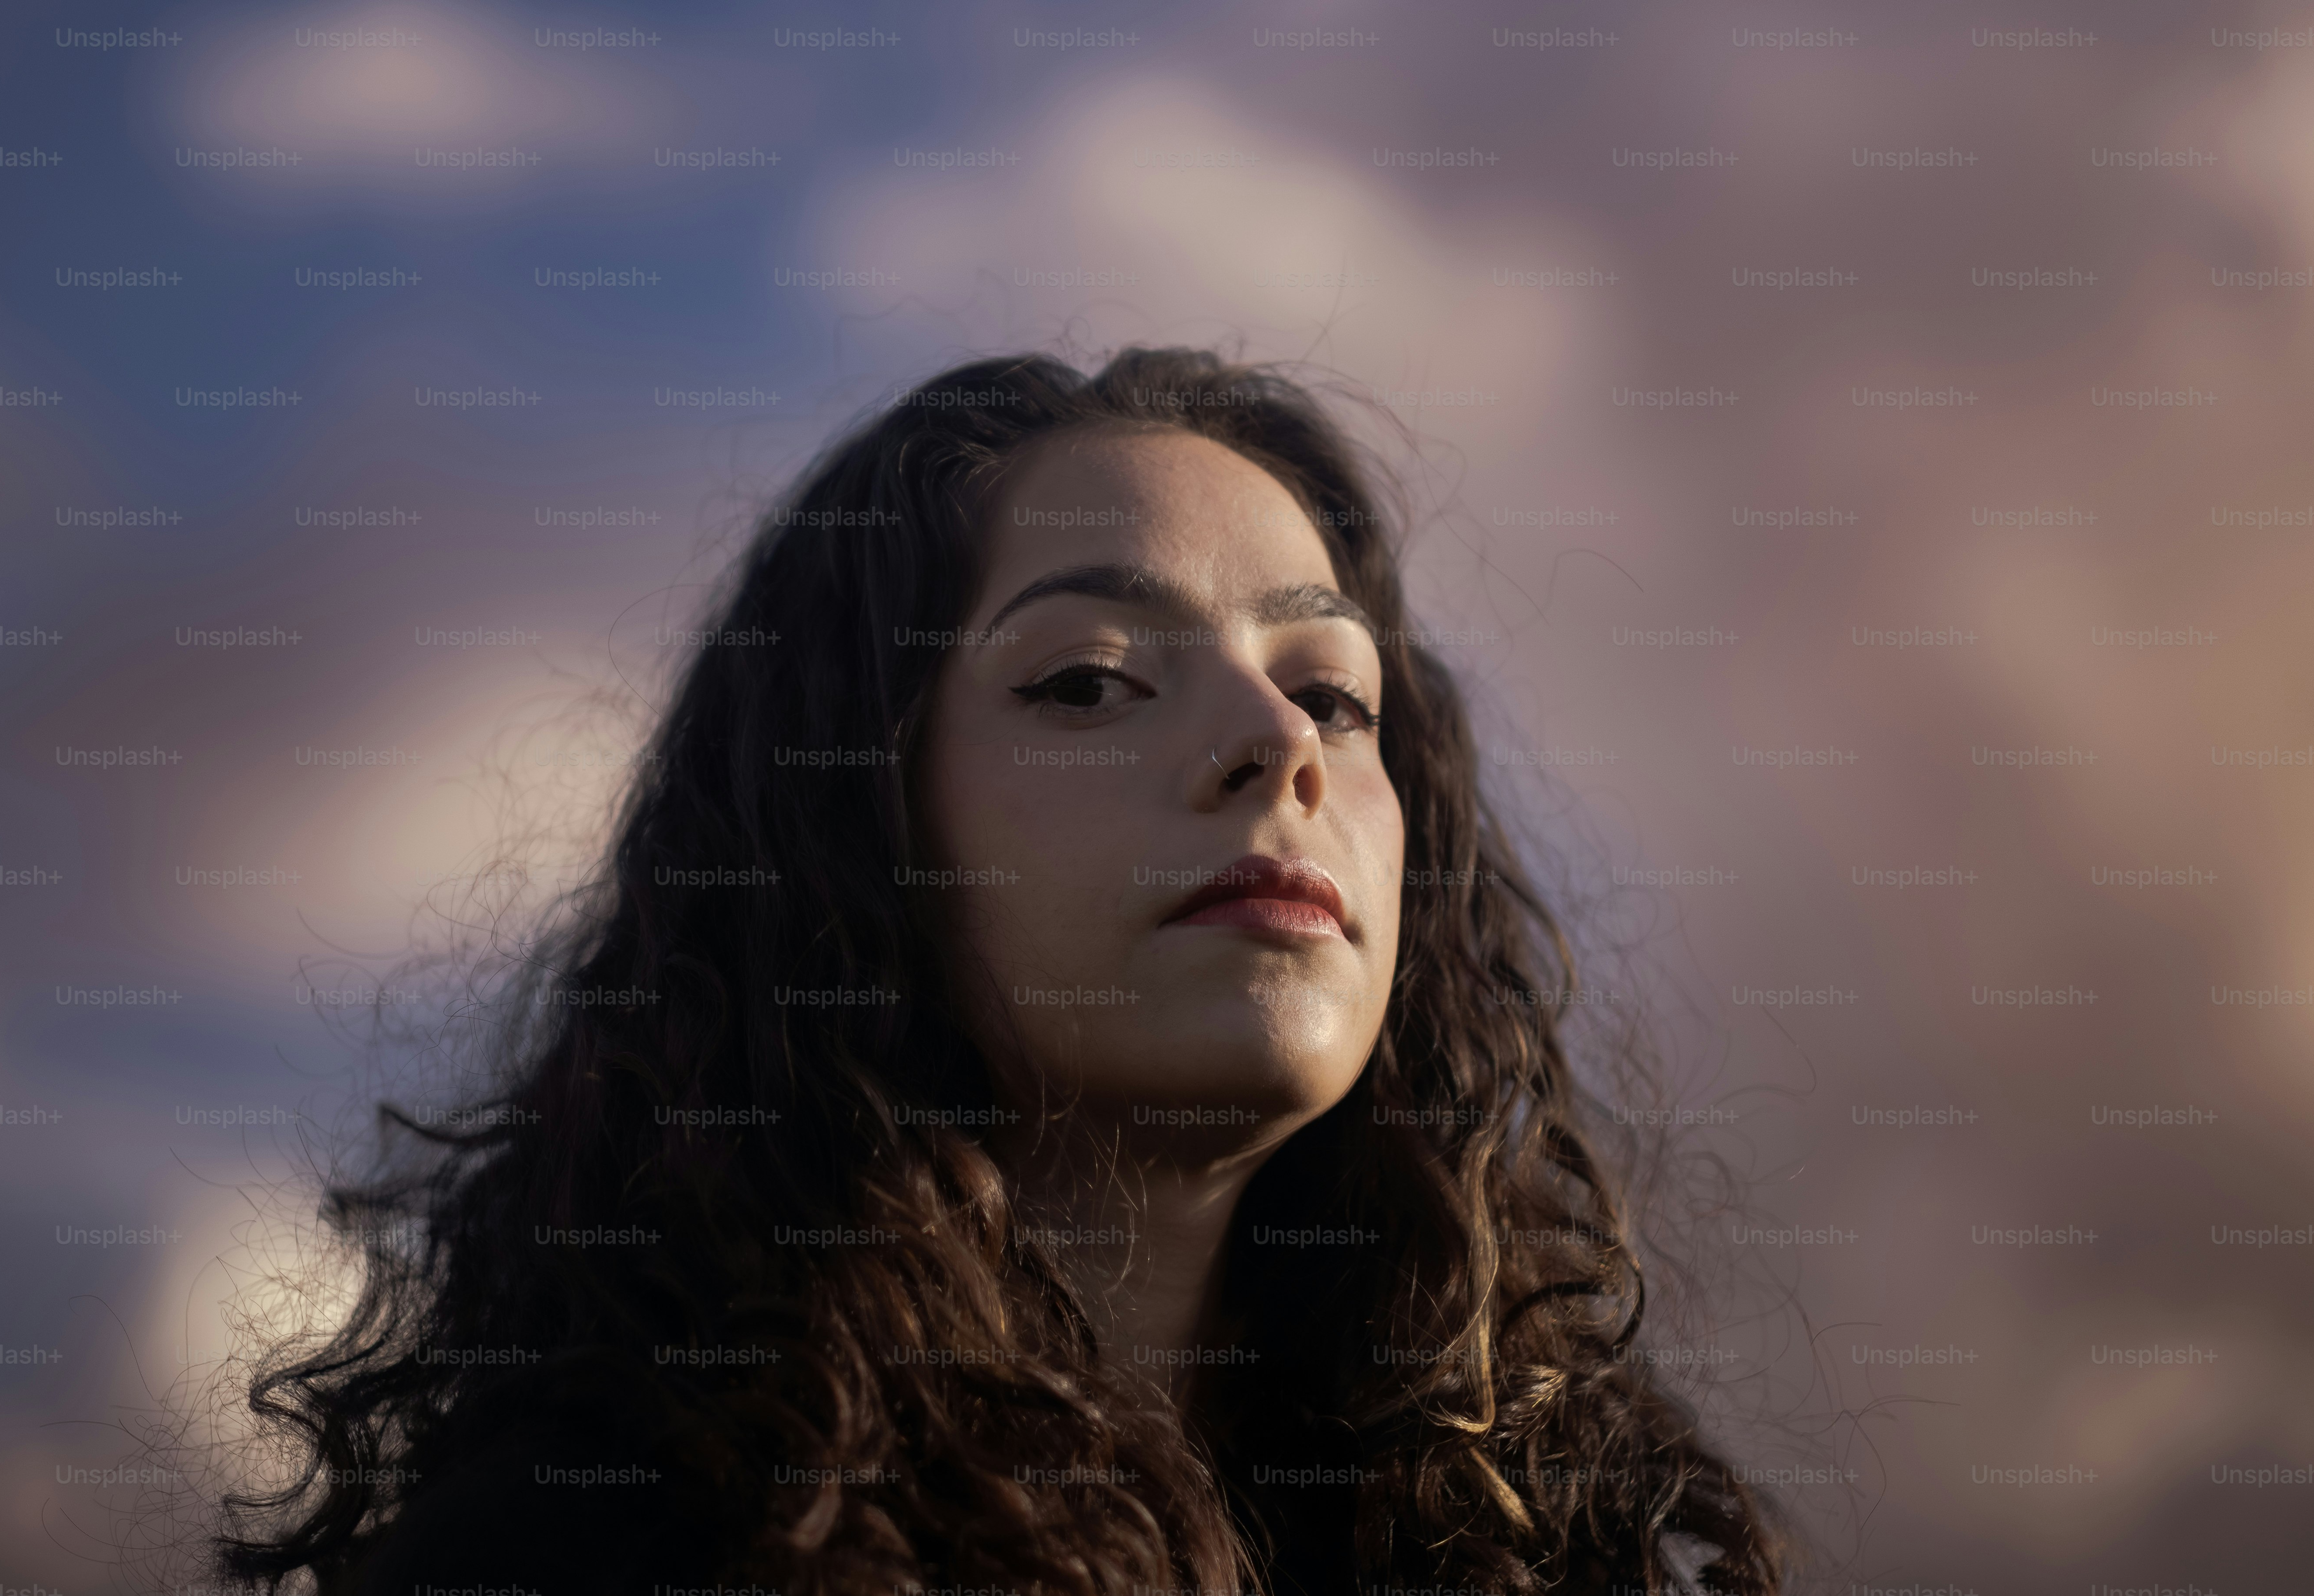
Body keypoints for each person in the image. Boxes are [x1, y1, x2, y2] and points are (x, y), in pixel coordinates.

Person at [215, 347, 1787, 1594]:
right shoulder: (598, 1546)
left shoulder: (1535, 1540)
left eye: (1335, 692)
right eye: (1092, 679)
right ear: (856, 828)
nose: (1278, 743)